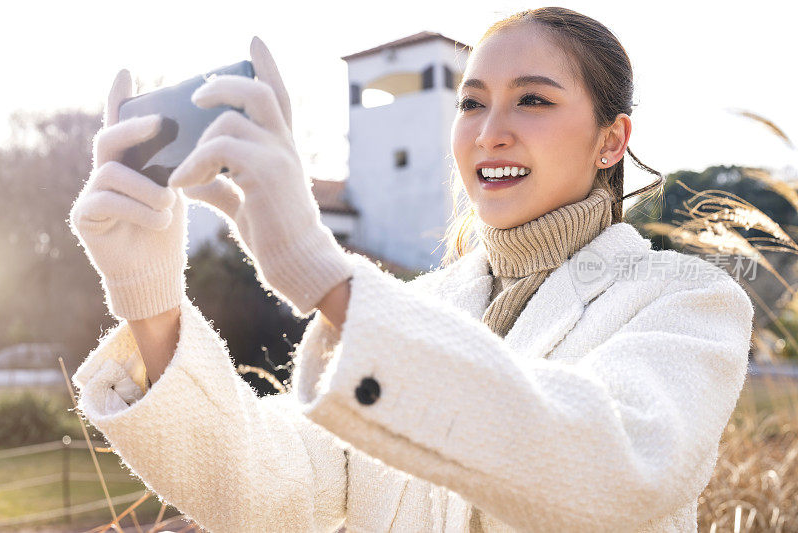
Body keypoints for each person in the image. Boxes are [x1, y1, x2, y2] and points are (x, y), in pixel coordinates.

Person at [68, 7, 754, 532]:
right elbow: (260, 480)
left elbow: (619, 464)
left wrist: (326, 278)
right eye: (472, 102)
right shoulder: (416, 306)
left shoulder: (687, 301)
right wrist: (150, 296)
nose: (490, 131)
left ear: (612, 141)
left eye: (533, 99)